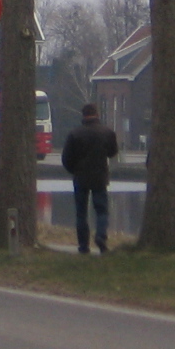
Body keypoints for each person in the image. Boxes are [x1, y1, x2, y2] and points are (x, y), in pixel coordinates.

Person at [61, 104, 118, 254]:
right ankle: (101, 236)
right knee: (102, 211)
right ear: (97, 114)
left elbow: (66, 158)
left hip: (80, 177)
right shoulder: (107, 132)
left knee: (81, 213)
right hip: (100, 177)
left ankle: (83, 246)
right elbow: (113, 152)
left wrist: (74, 170)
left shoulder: (75, 134)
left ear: (83, 115)